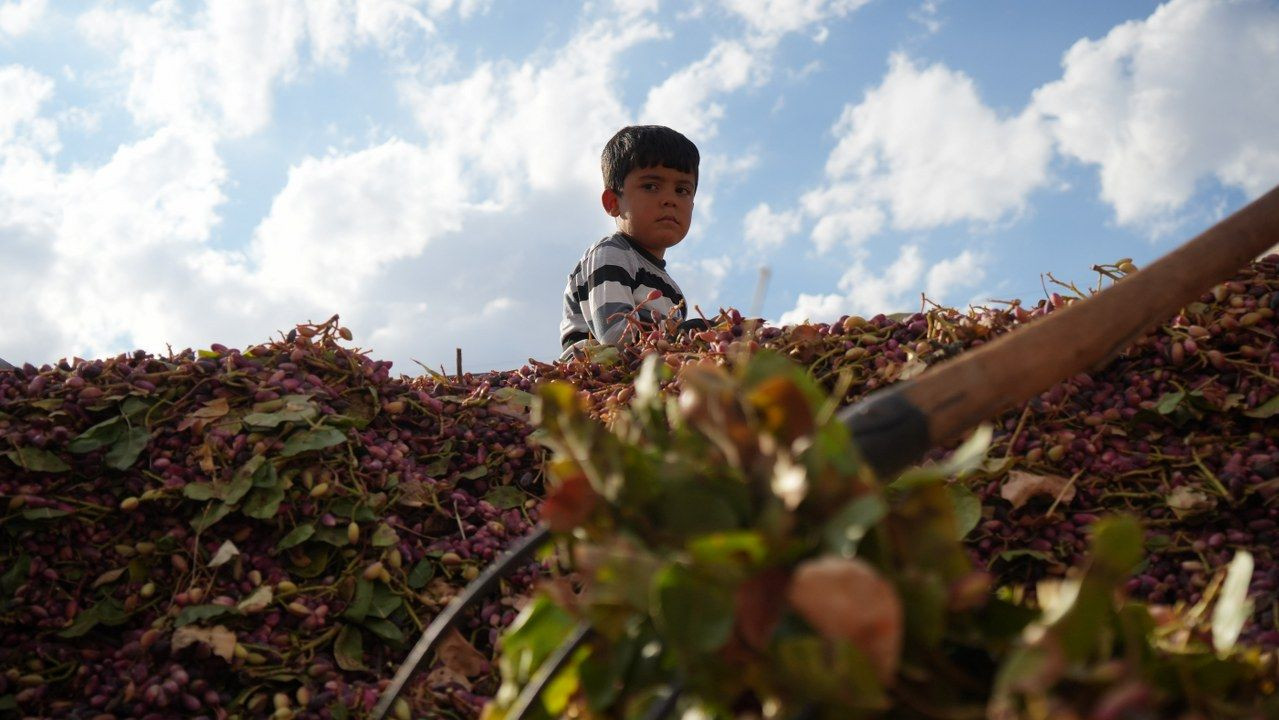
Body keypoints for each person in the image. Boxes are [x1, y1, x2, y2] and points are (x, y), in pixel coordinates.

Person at [559, 125, 707, 360]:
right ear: (613, 202)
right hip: (595, 374)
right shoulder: (611, 254)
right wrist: (687, 336)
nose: (669, 199)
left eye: (682, 190)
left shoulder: (672, 291)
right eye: (651, 187)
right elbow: (616, 336)